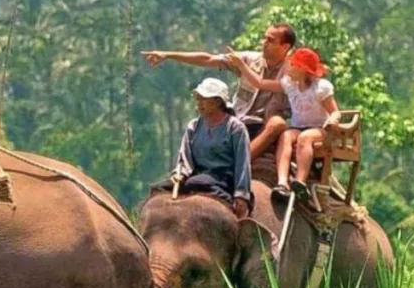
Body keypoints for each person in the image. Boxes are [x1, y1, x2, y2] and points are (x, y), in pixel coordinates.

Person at [142, 23, 297, 169]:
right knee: (203, 117)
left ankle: (238, 163)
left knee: (277, 123)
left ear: (285, 46)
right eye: (264, 38)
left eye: (270, 40)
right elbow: (208, 59)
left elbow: (312, 87)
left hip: (265, 123)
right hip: (238, 118)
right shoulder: (249, 59)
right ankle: (183, 169)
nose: (264, 42)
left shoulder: (294, 71)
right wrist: (168, 55)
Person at [226, 47, 340, 204]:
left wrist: (333, 120)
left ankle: (300, 181)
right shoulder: (289, 85)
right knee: (286, 136)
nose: (289, 67)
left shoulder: (321, 87)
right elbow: (260, 83)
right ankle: (282, 182)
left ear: (302, 69)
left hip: (319, 128)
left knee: (305, 138)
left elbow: (335, 111)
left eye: (292, 64)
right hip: (298, 127)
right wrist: (241, 65)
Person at [152, 78, 253, 218]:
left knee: (197, 183)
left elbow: (243, 163)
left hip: (222, 178)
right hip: (196, 176)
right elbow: (184, 158)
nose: (199, 103)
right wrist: (180, 174)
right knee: (158, 189)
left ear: (218, 101)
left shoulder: (235, 128)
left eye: (203, 98)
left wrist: (242, 194)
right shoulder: (193, 127)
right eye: (197, 98)